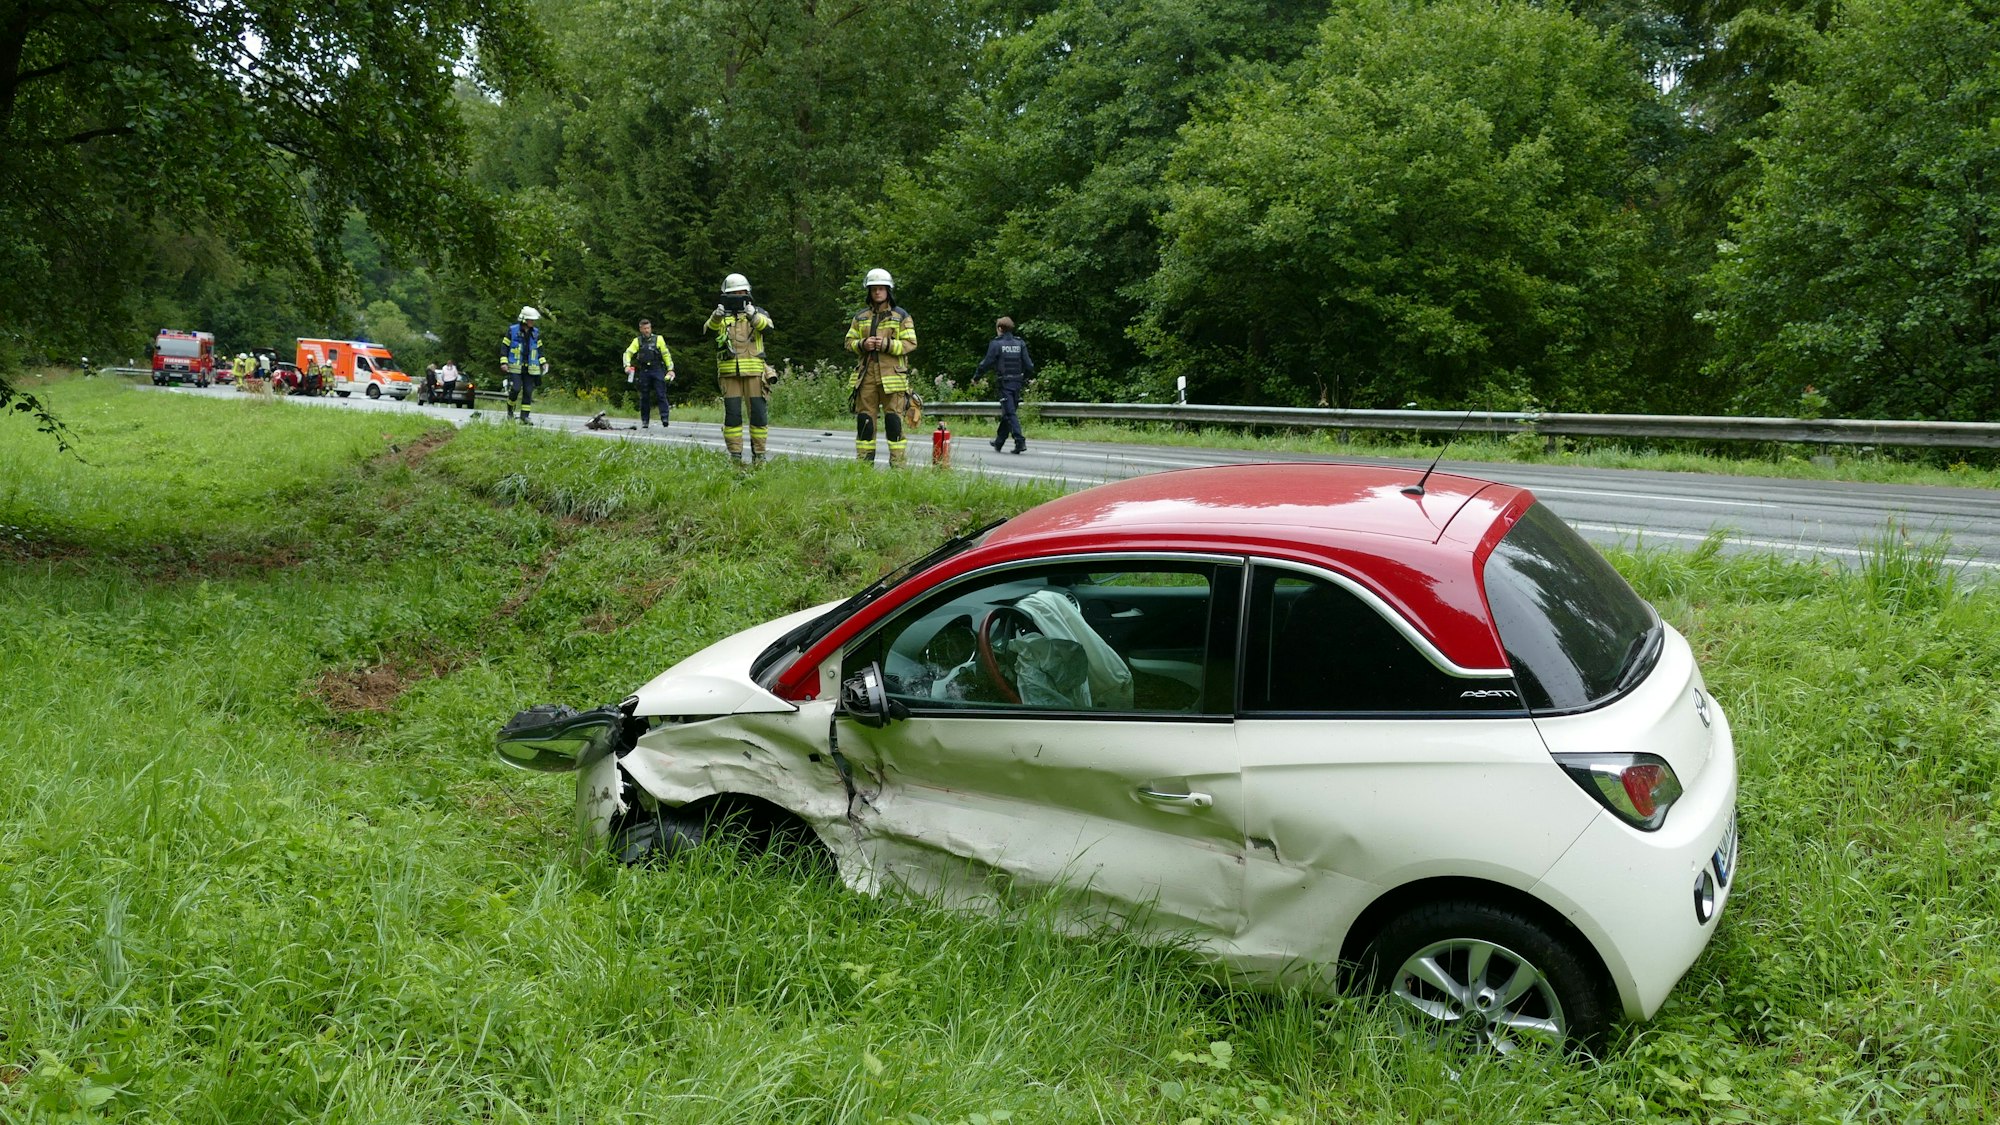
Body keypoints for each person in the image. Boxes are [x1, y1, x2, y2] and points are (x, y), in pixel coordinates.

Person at [845, 267, 918, 466]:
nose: (877, 292)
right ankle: (864, 466)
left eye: (881, 288)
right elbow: (848, 342)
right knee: (865, 422)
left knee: (893, 422)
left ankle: (898, 466)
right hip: (866, 377)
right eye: (874, 288)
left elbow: (911, 343)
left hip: (893, 379)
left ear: (888, 290)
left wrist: (885, 345)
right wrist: (862, 344)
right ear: (869, 292)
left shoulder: (901, 316)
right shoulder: (860, 317)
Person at [703, 274, 775, 463]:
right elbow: (708, 332)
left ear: (748, 293)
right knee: (733, 416)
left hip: (755, 375)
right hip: (729, 374)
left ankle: (759, 454)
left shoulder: (758, 313)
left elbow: (768, 329)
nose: (737, 297)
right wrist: (716, 317)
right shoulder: (721, 317)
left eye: (740, 293)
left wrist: (752, 315)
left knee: (759, 416)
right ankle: (735, 455)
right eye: (732, 294)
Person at [975, 315, 1036, 453]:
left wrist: (976, 377)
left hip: (1005, 383)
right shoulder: (1020, 343)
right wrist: (1023, 378)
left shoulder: (997, 344)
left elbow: (986, 363)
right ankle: (999, 441)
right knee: (1009, 413)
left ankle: (1020, 441)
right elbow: (1029, 365)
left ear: (1000, 328)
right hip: (1017, 382)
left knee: (1010, 413)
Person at [621, 317, 677, 429]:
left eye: (648, 328)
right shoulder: (637, 341)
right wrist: (627, 366)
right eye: (644, 328)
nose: (647, 330)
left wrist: (670, 369)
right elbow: (628, 353)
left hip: (657, 369)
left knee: (661, 394)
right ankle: (645, 420)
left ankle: (665, 418)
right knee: (644, 397)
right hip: (644, 371)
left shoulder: (659, 339)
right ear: (641, 329)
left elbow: (666, 355)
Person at [501, 305, 543, 424]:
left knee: (528, 392)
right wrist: (504, 362)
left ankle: (525, 417)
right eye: (531, 320)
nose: (533, 322)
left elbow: (539, 349)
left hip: (530, 368)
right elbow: (505, 347)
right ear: (524, 319)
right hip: (515, 367)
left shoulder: (535, 333)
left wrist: (543, 363)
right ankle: (510, 411)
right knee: (515, 389)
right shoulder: (512, 330)